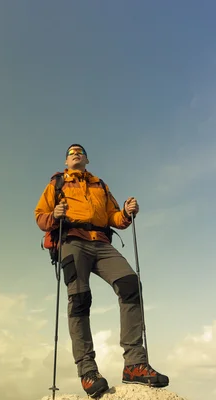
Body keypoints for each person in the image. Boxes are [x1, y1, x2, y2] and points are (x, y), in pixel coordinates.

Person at [34, 144, 169, 398]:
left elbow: (113, 217)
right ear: (66, 161)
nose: (76, 153)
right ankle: (88, 371)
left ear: (87, 159)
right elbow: (40, 216)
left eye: (80, 152)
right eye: (71, 152)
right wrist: (55, 214)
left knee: (130, 284)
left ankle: (134, 364)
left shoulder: (100, 186)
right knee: (80, 298)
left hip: (100, 242)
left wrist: (126, 213)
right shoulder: (57, 184)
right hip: (72, 240)